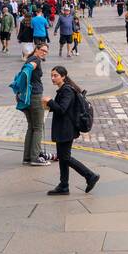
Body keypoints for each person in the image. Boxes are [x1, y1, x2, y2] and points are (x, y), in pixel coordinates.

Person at [44, 66, 99, 195]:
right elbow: (65, 108)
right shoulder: (64, 89)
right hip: (63, 128)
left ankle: (90, 175)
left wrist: (50, 102)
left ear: (63, 76)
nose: (53, 78)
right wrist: (50, 105)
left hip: (66, 129)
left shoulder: (67, 90)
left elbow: (62, 109)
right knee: (63, 158)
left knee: (65, 158)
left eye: (56, 75)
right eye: (52, 75)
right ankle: (64, 185)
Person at [11, 43, 51, 166]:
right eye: (42, 50)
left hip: (27, 98)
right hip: (34, 97)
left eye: (46, 51)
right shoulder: (36, 60)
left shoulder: (30, 58)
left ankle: (27, 157)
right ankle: (35, 158)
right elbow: (28, 69)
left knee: (31, 127)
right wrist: (25, 84)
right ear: (36, 50)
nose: (44, 53)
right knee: (38, 127)